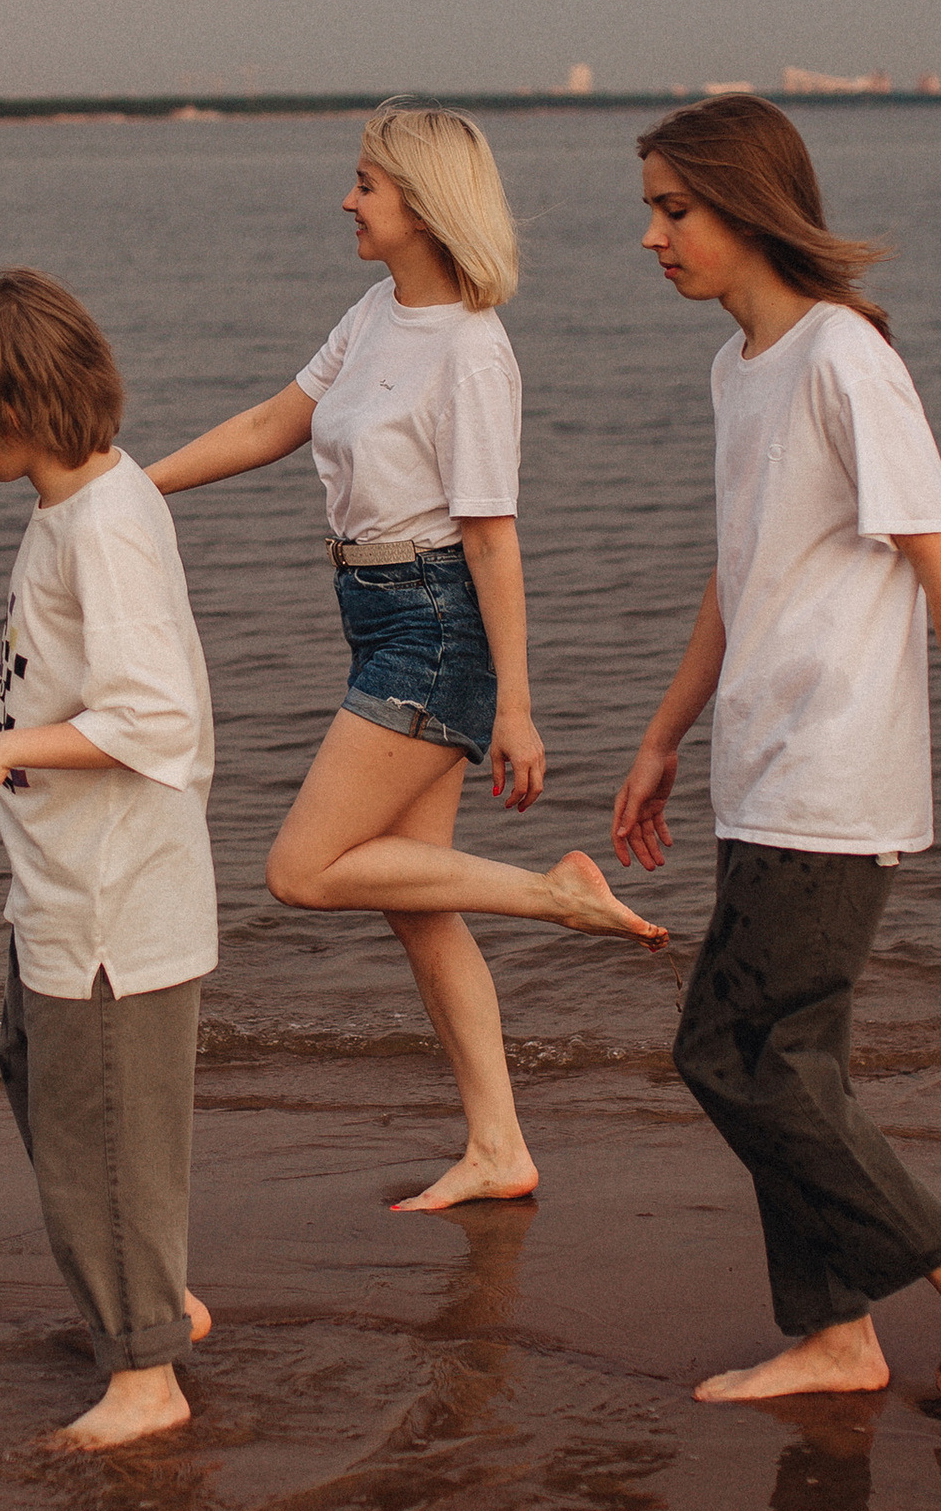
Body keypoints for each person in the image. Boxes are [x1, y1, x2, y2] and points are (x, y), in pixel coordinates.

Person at [608, 97, 941, 1407]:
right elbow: (738, 570)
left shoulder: (844, 361)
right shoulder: (738, 369)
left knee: (732, 1053)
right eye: (651, 210)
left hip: (837, 765)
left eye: (673, 210)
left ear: (749, 210)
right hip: (763, 758)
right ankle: (835, 1335)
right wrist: (664, 734)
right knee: (794, 1059)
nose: (652, 238)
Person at [147, 102, 664, 1216]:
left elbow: (492, 535)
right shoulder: (376, 312)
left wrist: (515, 707)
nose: (347, 200)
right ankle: (497, 1147)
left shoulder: (474, 354)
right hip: (375, 607)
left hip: (433, 620)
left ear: (423, 206)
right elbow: (273, 423)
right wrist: (132, 490)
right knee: (416, 904)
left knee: (302, 867)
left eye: (367, 184)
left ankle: (554, 895)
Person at [0, 265, 216, 1449]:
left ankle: (146, 1375)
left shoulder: (109, 527)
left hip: (115, 899)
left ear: (16, 416)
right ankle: (153, 1303)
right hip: (66, 880)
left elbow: (154, 718)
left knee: (103, 1130)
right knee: (38, 1076)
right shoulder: (76, 510)